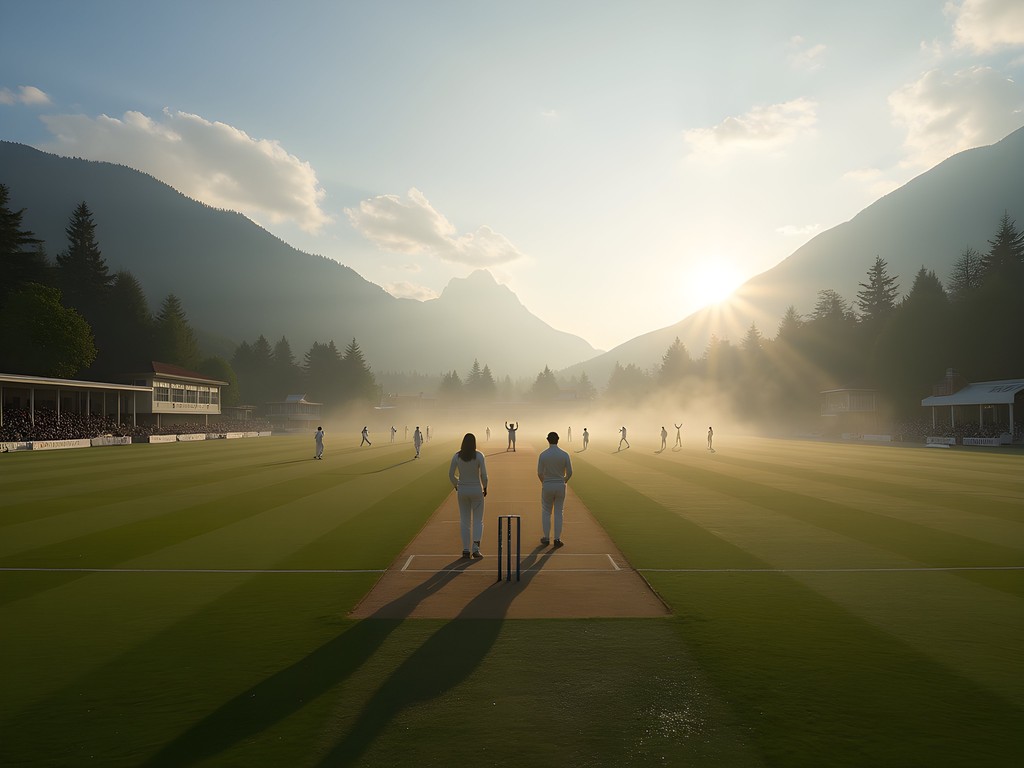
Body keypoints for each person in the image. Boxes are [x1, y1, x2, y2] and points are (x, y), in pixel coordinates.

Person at [449, 433, 488, 558]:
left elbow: (451, 474)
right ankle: (476, 548)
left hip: (462, 490)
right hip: (476, 489)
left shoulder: (457, 456)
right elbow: (484, 475)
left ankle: (466, 549)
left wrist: (457, 485)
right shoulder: (479, 455)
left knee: (464, 520)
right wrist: (485, 487)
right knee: (478, 520)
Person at [538, 431, 572, 547]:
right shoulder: (564, 454)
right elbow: (570, 472)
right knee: (558, 512)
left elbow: (539, 473)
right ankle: (557, 539)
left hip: (548, 484)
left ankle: (546, 538)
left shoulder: (543, 455)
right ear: (558, 440)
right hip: (560, 485)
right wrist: (563, 481)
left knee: (546, 512)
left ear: (548, 440)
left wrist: (545, 482)